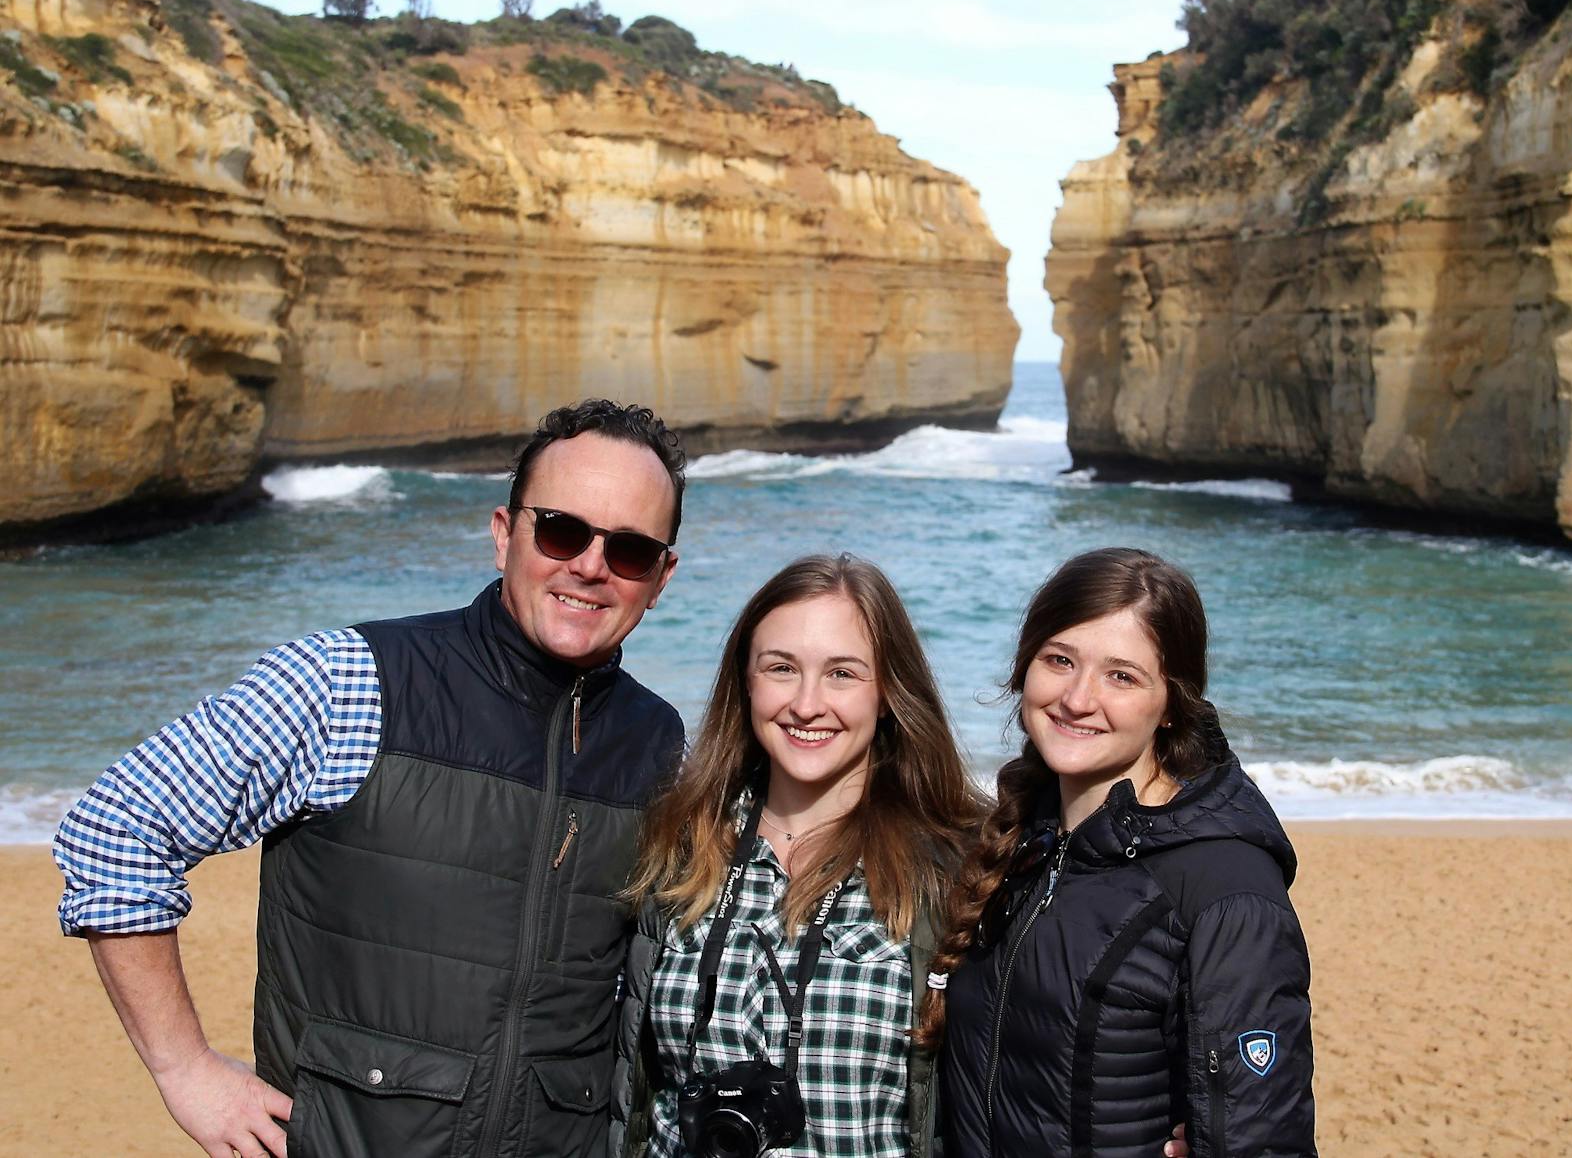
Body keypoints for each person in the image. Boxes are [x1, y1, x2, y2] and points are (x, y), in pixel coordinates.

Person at [53, 399, 689, 1158]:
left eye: (630, 550)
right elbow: (116, 830)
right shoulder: (347, 682)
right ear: (502, 534)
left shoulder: (660, 745)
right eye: (560, 530)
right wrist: (184, 1068)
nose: (589, 564)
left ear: (661, 578)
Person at [925, 548, 1316, 1158]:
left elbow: (1262, 1139)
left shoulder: (1224, 889)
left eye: (1122, 676)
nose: (1078, 699)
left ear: (1171, 704)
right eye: (1059, 660)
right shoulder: (1019, 843)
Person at [609, 553, 982, 1158]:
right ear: (747, 681)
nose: (807, 705)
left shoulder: (951, 871)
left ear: (887, 692)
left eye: (842, 674)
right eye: (782, 668)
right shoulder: (679, 846)